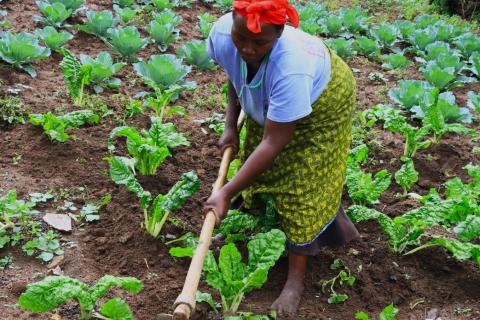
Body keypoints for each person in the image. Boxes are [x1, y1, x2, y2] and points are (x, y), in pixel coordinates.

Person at [204, 0, 360, 315]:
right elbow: (237, 77)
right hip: (281, 97)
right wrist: (230, 125)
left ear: (280, 33)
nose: (247, 48)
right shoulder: (223, 34)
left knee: (303, 183)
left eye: (259, 42)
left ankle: (295, 280)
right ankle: (255, 223)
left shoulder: (292, 66)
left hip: (325, 100)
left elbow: (274, 141)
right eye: (241, 39)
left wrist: (225, 192)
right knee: (253, 159)